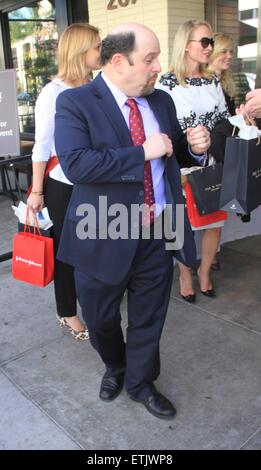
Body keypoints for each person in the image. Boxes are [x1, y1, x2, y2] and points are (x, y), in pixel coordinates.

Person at [54, 22, 210, 419]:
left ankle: (141, 382)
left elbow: (171, 154)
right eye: (150, 59)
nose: (158, 66)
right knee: (100, 317)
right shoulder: (75, 102)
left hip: (160, 227)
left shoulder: (160, 101)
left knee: (150, 317)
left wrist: (194, 150)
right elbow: (76, 165)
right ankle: (115, 366)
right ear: (119, 61)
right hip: (103, 228)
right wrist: (141, 153)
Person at [27, 23, 101, 340]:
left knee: (95, 246)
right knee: (66, 252)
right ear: (81, 50)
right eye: (98, 46)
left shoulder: (98, 87)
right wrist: (38, 191)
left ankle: (94, 301)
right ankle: (67, 312)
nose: (103, 51)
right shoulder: (52, 93)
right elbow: (42, 146)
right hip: (63, 184)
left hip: (96, 181)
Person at [157, 20, 230, 302]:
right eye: (204, 42)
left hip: (213, 162)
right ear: (186, 45)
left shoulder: (212, 79)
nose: (210, 47)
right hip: (181, 165)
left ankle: (204, 271)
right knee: (180, 223)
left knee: (215, 221)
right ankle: (185, 274)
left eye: (211, 41)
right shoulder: (166, 82)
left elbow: (223, 119)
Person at [207, 32, 235, 115]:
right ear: (211, 53)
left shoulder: (226, 82)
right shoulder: (202, 83)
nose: (229, 56)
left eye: (231, 52)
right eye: (224, 51)